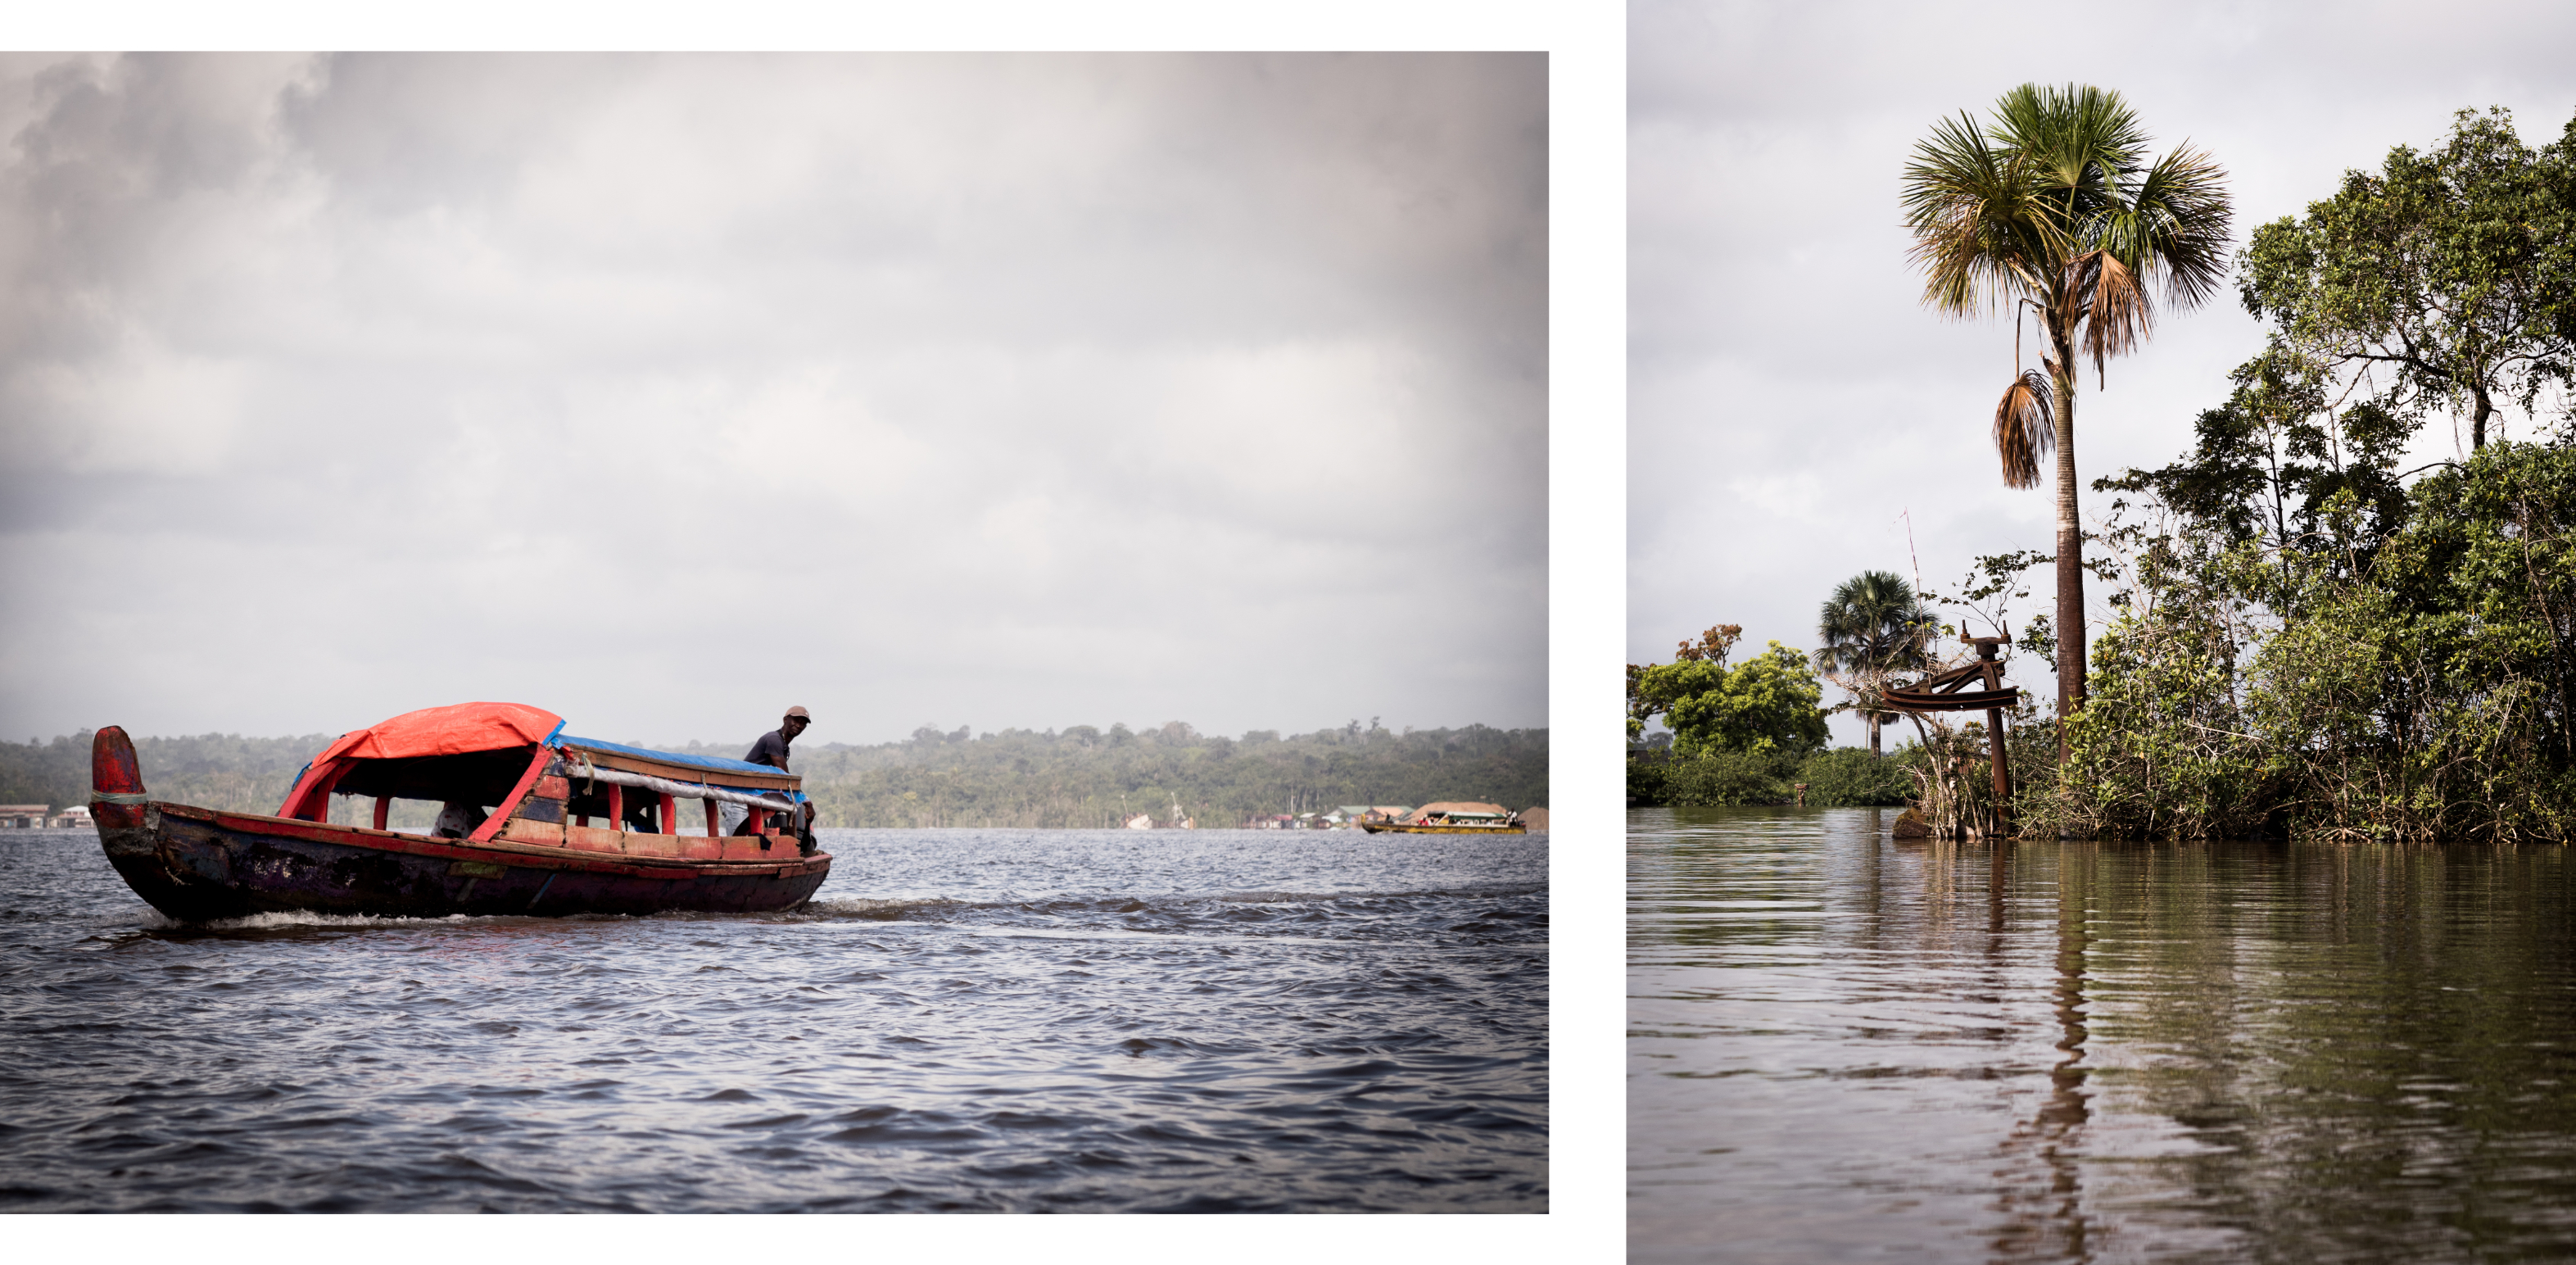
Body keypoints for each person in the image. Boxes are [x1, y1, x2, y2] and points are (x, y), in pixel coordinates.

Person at [731, 706, 817, 852]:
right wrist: (807, 803)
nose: (799, 725)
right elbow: (786, 779)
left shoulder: (783, 745)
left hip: (754, 797)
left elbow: (783, 781)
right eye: (796, 720)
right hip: (737, 796)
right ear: (785, 720)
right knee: (736, 846)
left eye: (803, 723)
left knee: (752, 843)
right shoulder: (774, 740)